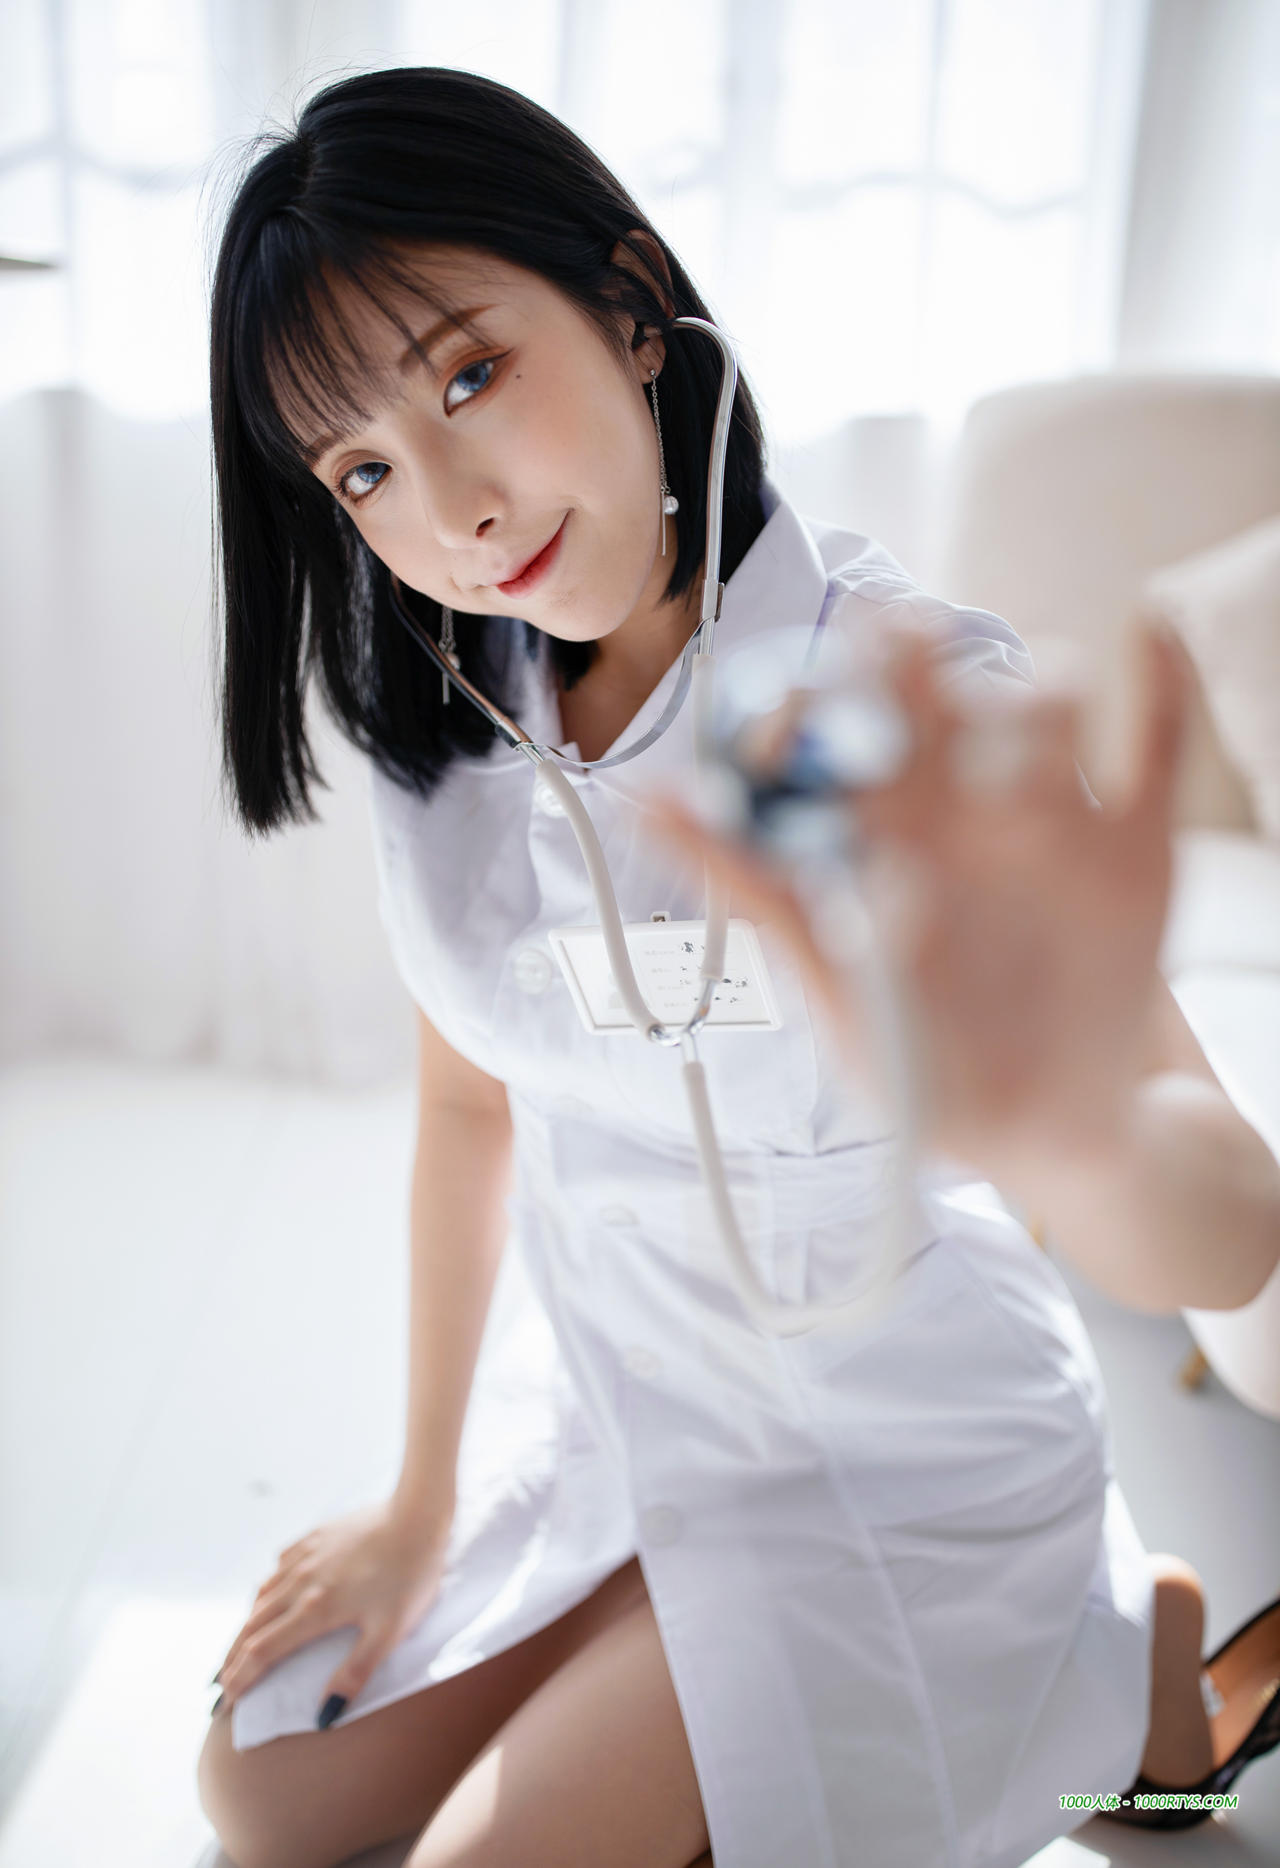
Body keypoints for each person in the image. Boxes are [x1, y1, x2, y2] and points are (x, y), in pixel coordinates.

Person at [195, 66, 1280, 1868]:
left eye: (469, 376)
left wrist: (1072, 1120)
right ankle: (1047, 1684)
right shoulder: (454, 728)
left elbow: (1231, 1233)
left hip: (894, 1469)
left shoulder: (901, 710)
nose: (457, 510)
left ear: (631, 310)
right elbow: (469, 1111)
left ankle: (1102, 1690)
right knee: (263, 1789)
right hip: (628, 1421)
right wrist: (419, 1496)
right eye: (364, 469)